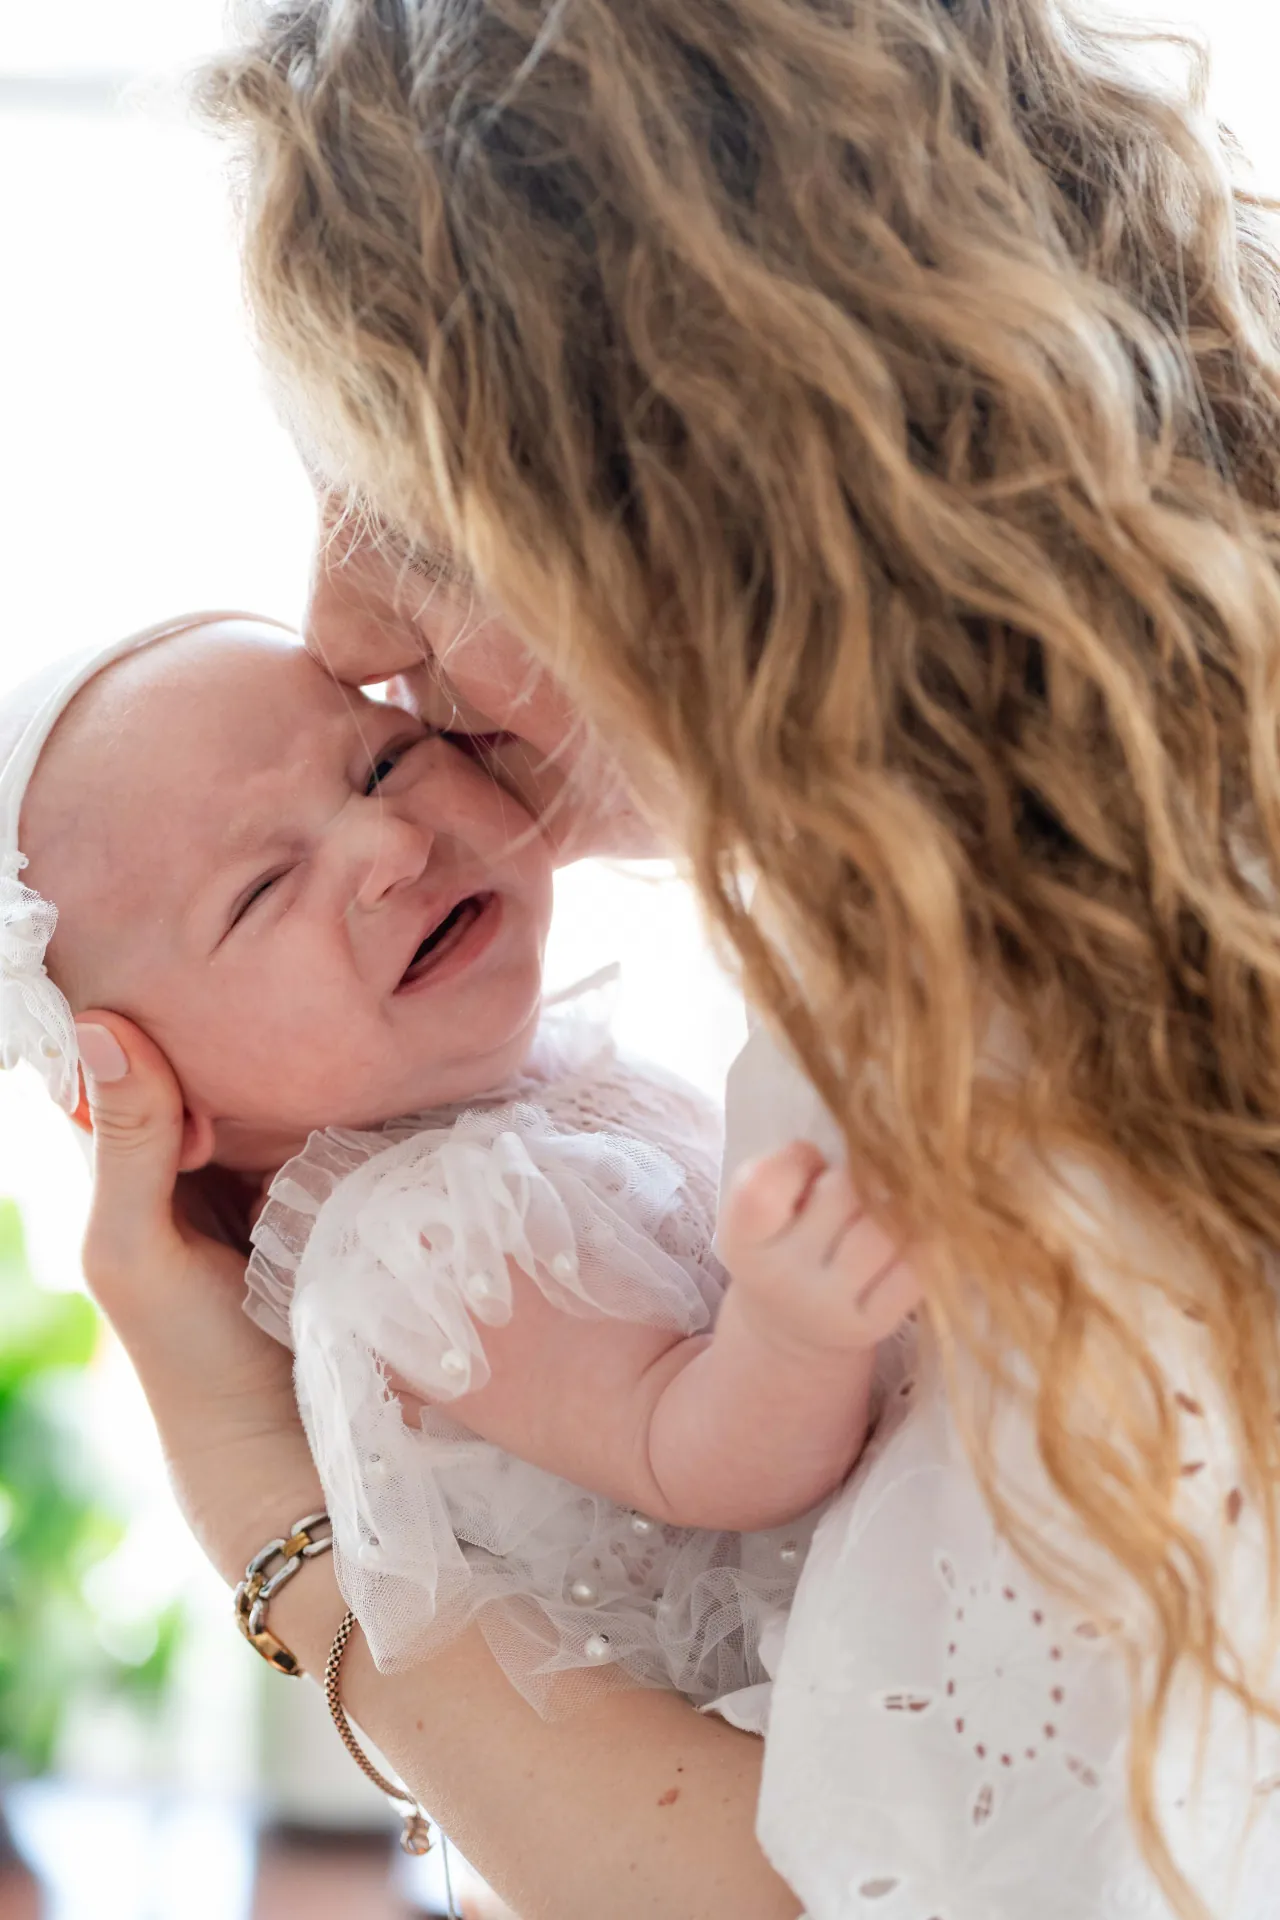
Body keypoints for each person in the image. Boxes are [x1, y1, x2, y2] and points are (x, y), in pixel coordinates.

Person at [62, 0, 1280, 1912]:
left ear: (702, 469)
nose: (339, 621)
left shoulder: (990, 1042)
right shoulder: (1041, 939)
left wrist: (273, 1526)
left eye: (398, 494)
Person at [4, 612, 916, 1724]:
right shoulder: (416, 1240)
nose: (389, 846)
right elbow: (694, 1457)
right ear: (145, 1086)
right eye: (261, 890)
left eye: (385, 762)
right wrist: (793, 1327)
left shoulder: (532, 1087)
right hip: (856, 1674)